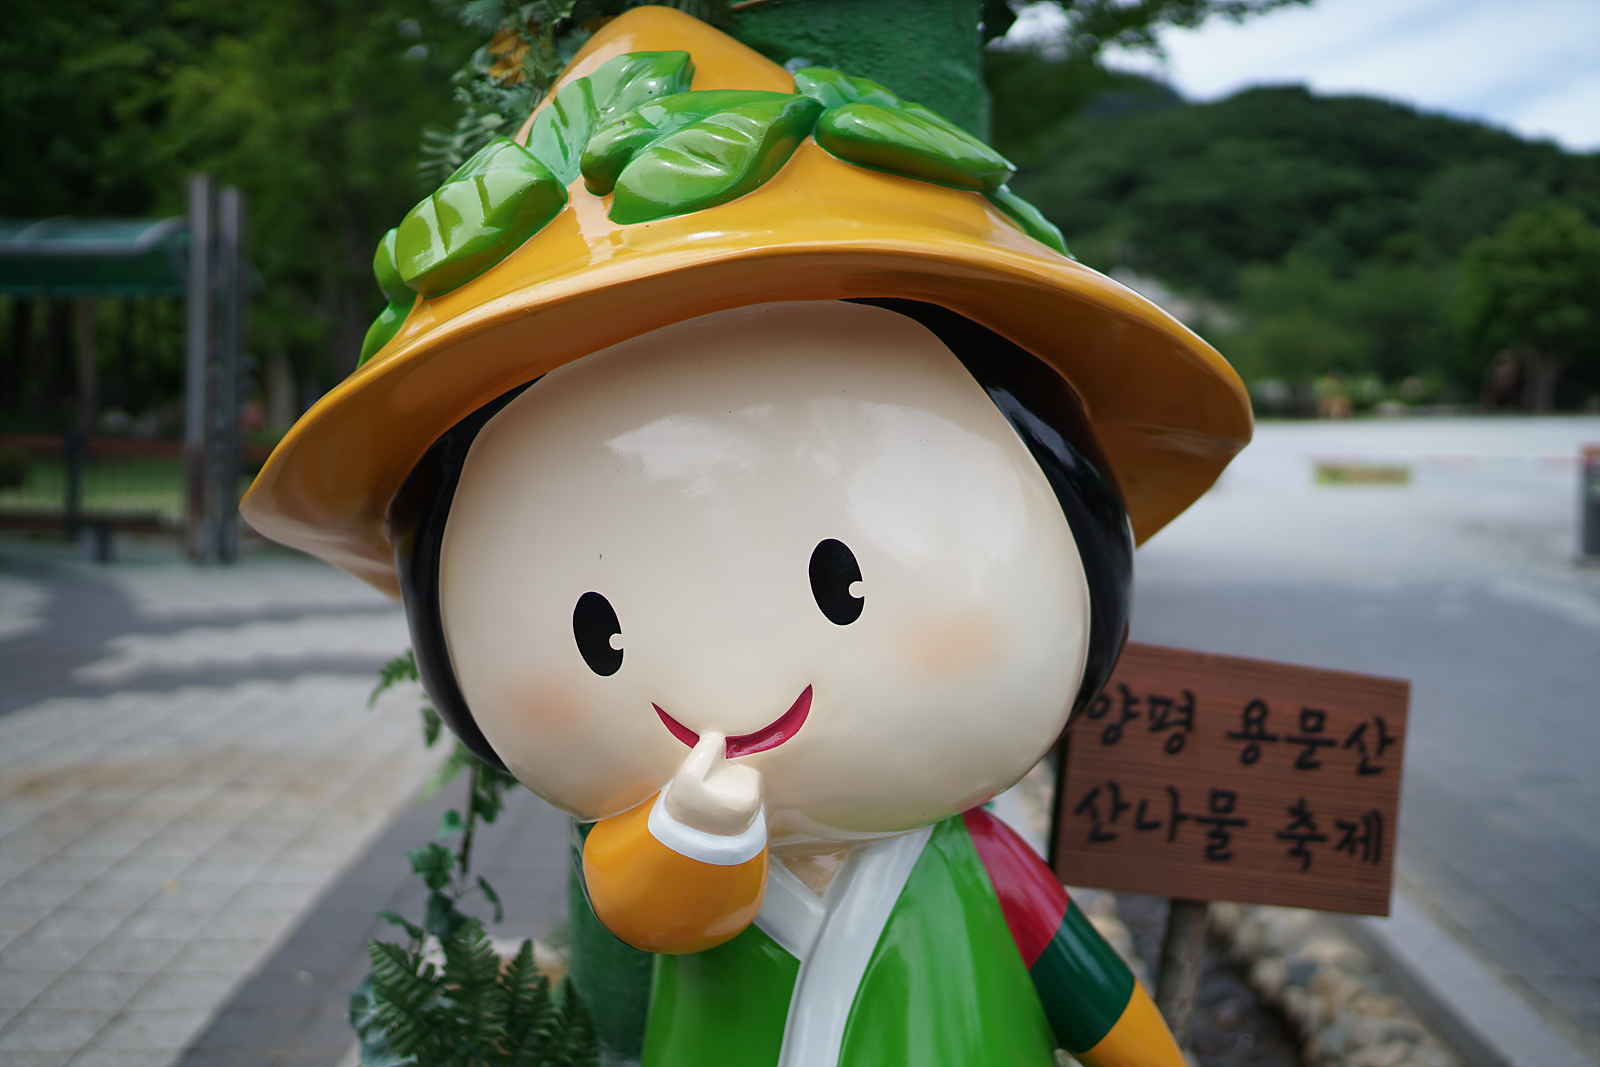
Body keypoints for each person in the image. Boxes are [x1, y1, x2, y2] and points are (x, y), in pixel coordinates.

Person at [241, 9, 1252, 1065]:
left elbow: (1096, 995)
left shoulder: (981, 863)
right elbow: (655, 908)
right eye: (598, 632)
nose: (735, 678)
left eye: (841, 582)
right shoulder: (672, 845)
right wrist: (689, 843)